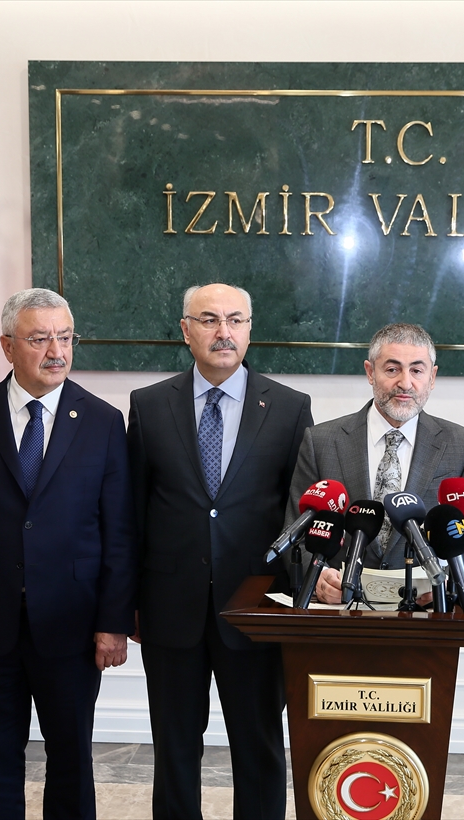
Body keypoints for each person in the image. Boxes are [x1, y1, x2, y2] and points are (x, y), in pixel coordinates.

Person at [0, 288, 135, 819]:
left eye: (65, 338)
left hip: (71, 625)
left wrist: (113, 623)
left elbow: (119, 532)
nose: (56, 351)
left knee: (71, 761)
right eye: (39, 339)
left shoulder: (104, 421)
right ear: (7, 345)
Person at [127, 283, 312, 820]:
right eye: (208, 320)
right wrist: (127, 601)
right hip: (169, 607)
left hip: (257, 607)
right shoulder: (149, 405)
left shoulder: (289, 407)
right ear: (186, 331)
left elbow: (300, 515)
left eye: (235, 320)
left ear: (250, 330)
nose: (223, 332)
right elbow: (132, 511)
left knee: (259, 748)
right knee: (174, 749)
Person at [287, 322, 464, 603]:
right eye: (393, 369)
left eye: (417, 371)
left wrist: (449, 580)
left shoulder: (462, 445)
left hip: (427, 612)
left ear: (432, 377)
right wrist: (319, 576)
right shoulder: (320, 441)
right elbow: (296, 535)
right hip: (341, 610)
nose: (405, 383)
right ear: (370, 372)